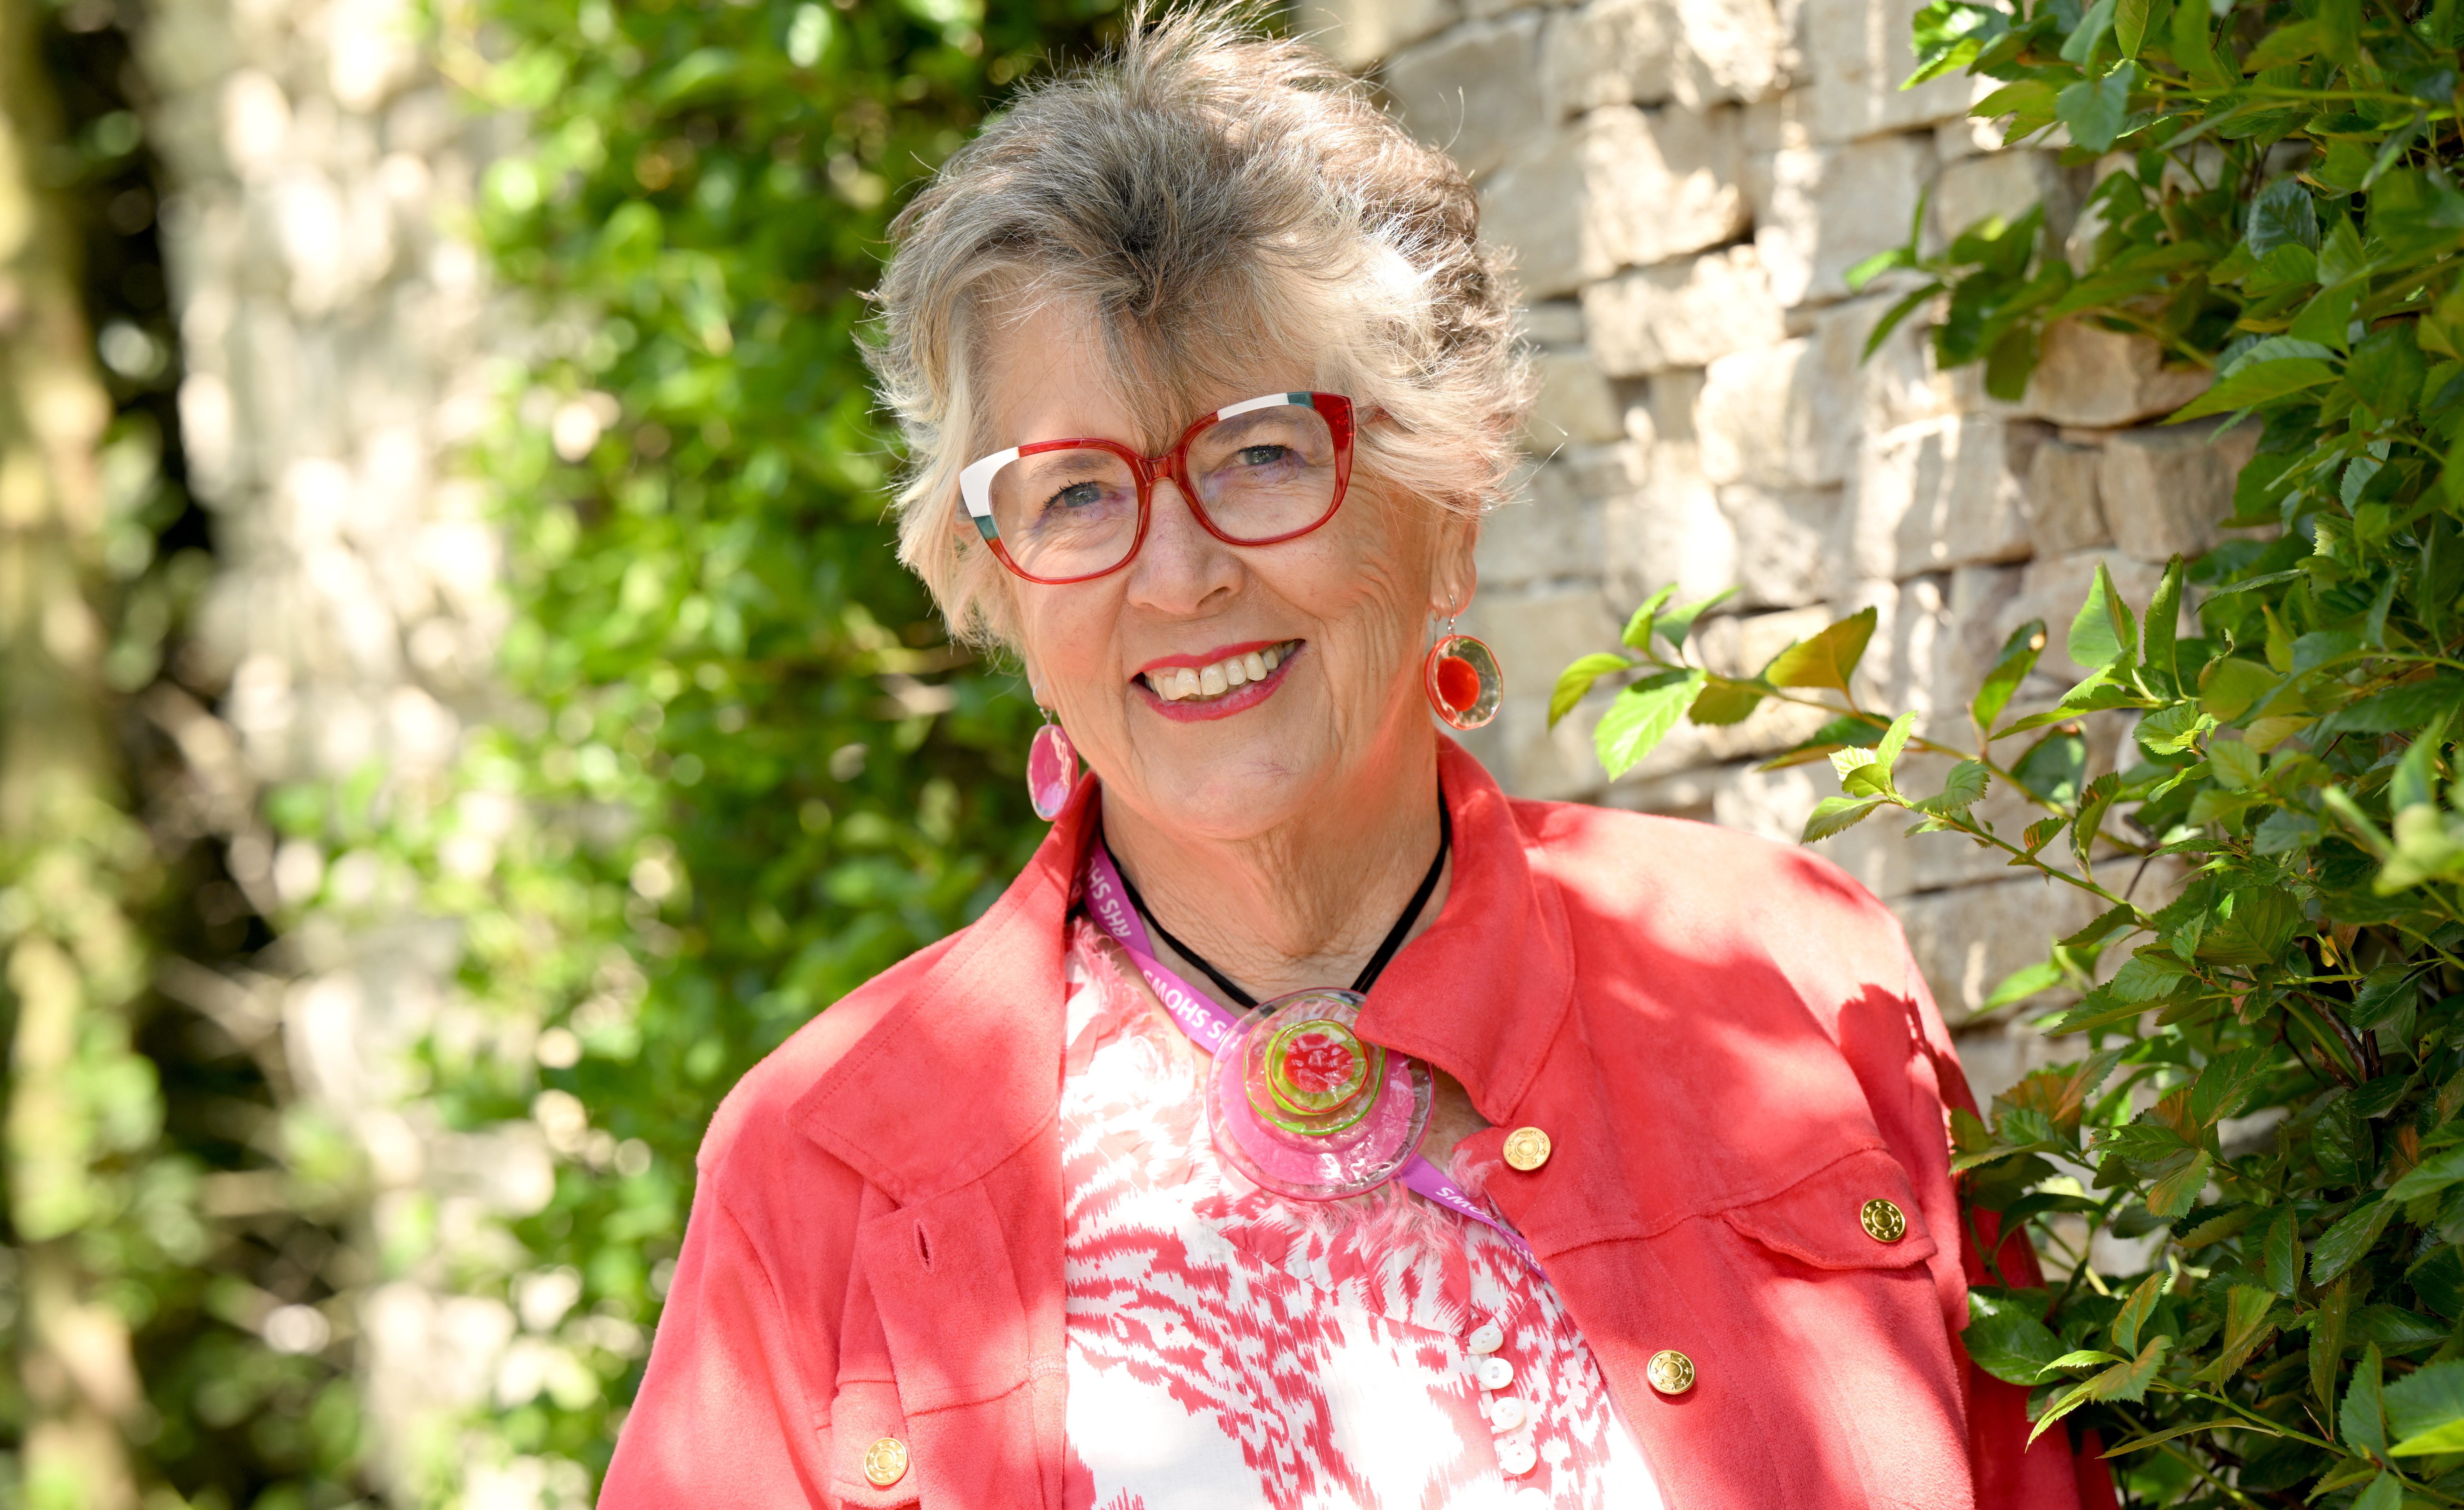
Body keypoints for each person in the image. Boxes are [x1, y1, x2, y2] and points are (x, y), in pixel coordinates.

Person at [602, 12, 2107, 1508]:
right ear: (991, 580)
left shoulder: (1792, 980)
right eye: (1076, 493)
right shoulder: (821, 1167)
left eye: (1262, 453)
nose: (1179, 576)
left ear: (1445, 499)